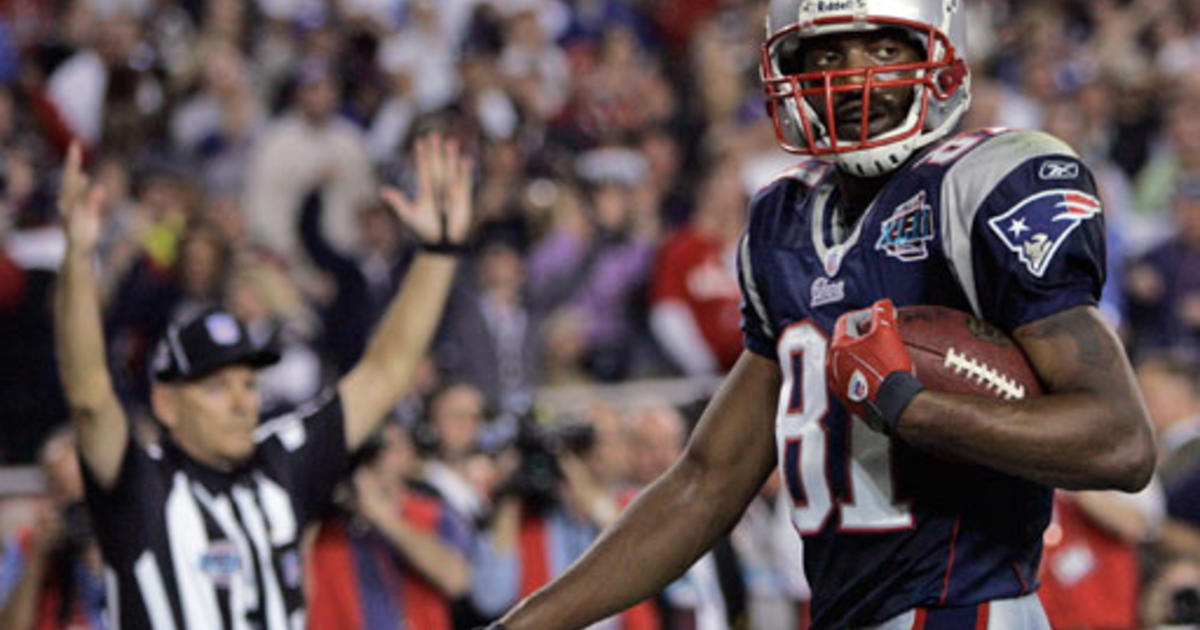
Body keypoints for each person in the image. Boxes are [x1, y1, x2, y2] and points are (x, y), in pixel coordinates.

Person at [488, 1, 1156, 628]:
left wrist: (914, 408)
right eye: (829, 56)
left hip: (962, 609)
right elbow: (706, 481)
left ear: (940, 56)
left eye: (885, 48)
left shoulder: (983, 183)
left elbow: (1120, 441)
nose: (853, 77)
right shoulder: (783, 221)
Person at [54, 133, 474, 629]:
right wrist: (78, 259)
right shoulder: (139, 481)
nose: (239, 402)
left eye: (248, 384)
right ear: (166, 404)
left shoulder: (282, 463)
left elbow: (386, 372)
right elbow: (87, 395)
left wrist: (439, 251)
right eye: (215, 387)